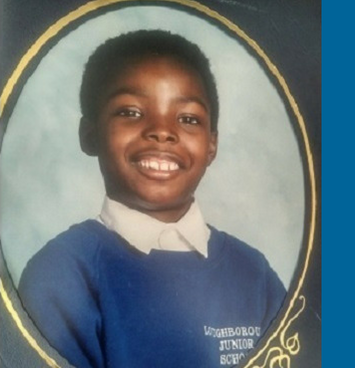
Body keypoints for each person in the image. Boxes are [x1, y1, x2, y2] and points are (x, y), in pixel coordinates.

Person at [18, 30, 286, 368]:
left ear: (212, 146)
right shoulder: (62, 273)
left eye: (188, 118)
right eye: (130, 112)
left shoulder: (254, 274)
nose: (162, 131)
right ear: (89, 134)